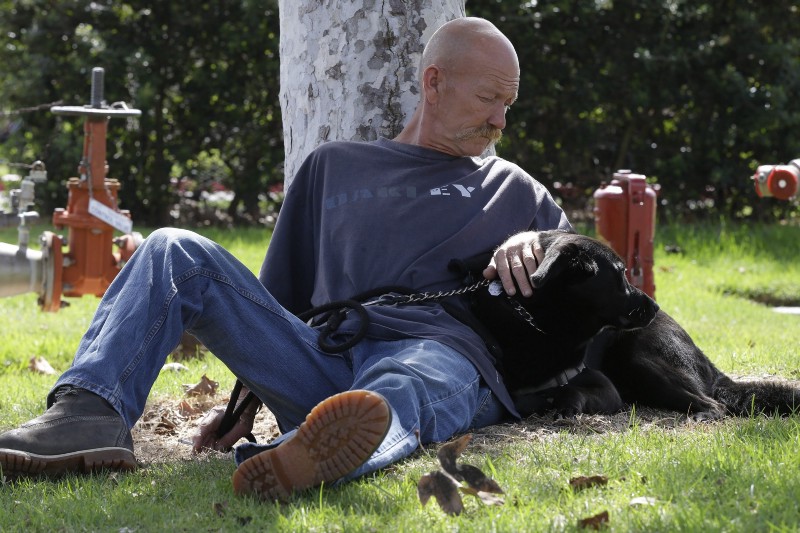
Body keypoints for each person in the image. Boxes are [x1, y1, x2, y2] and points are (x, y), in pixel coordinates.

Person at [0, 17, 572, 501]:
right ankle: (88, 413)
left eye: (508, 103)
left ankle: (303, 457)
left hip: (437, 354)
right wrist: (240, 405)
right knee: (172, 246)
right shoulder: (335, 167)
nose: (501, 120)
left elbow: (598, 280)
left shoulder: (515, 189)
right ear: (434, 83)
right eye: (489, 98)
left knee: (410, 374)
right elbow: (276, 303)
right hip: (325, 357)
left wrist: (543, 243)